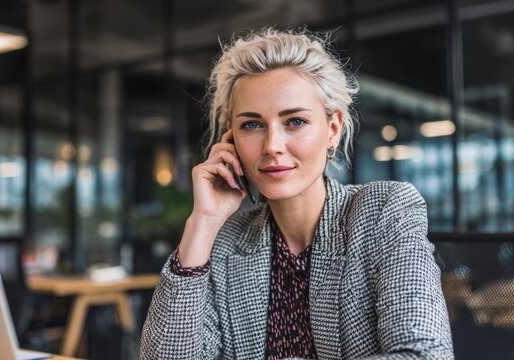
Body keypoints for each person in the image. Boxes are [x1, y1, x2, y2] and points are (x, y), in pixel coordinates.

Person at [140, 28, 454, 360]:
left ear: (332, 130)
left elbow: (424, 355)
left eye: (295, 121)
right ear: (230, 140)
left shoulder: (383, 213)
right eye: (252, 125)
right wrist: (203, 222)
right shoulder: (225, 241)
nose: (272, 146)